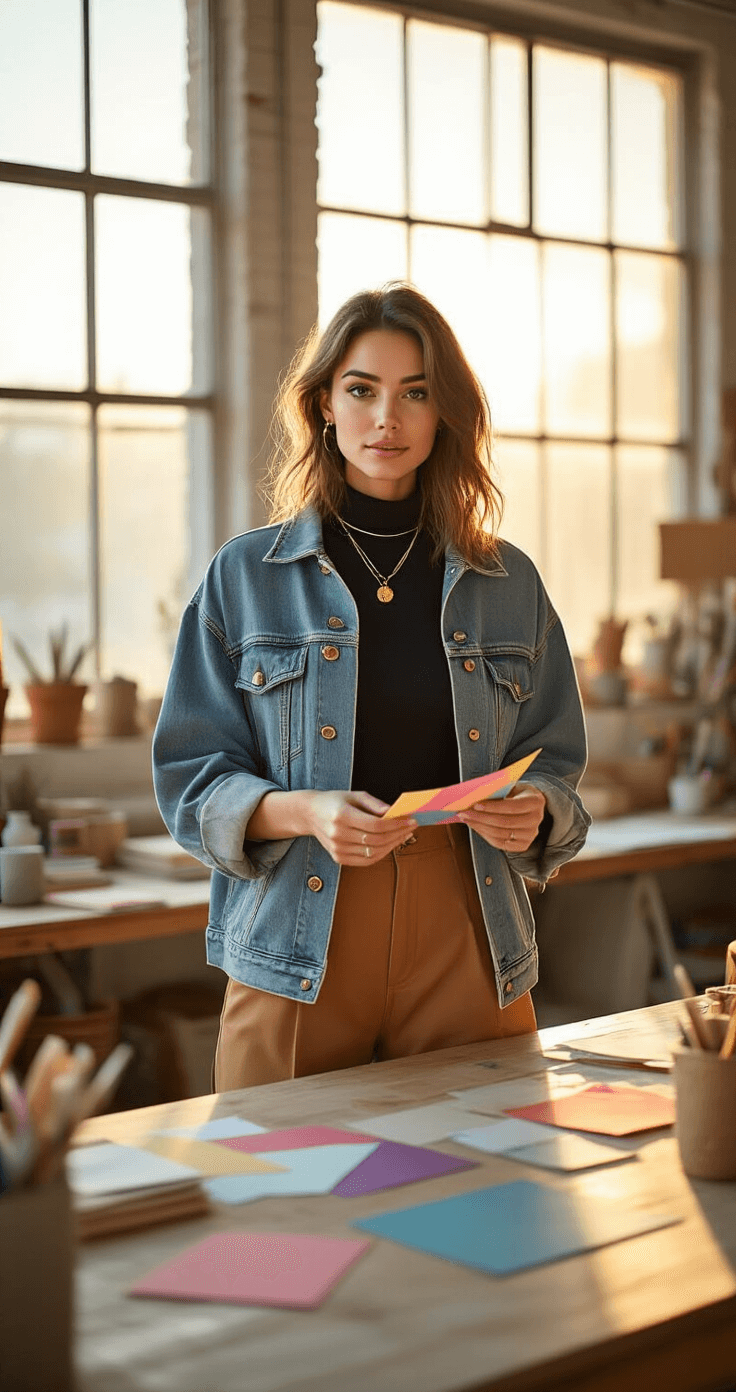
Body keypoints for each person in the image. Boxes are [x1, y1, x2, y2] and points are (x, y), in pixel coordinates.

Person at [152, 283, 591, 1091]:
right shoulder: (244, 577)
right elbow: (189, 777)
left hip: (468, 924)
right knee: (283, 1200)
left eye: (415, 393)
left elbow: (555, 761)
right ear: (323, 403)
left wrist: (537, 810)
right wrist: (307, 810)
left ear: (443, 412)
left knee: (486, 1194)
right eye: (362, 390)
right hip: (295, 928)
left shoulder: (510, 581)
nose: (386, 419)